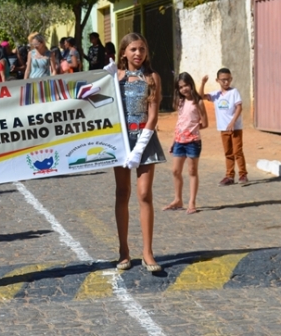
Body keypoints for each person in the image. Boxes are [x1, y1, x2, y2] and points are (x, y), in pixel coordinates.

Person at [104, 32, 165, 273]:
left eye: (142, 49)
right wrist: (105, 79)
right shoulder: (115, 77)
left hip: (145, 140)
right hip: (121, 141)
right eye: (133, 49)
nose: (138, 53)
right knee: (122, 193)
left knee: (144, 194)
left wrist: (140, 148)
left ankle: (148, 252)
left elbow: (153, 115)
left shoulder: (152, 77)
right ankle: (123, 251)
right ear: (123, 53)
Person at [163, 72, 208, 214]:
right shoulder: (180, 102)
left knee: (192, 171)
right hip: (179, 142)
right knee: (175, 171)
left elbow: (205, 123)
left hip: (193, 142)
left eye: (186, 85)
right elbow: (179, 123)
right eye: (181, 87)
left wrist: (192, 130)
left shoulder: (198, 102)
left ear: (191, 84)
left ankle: (192, 202)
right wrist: (173, 141)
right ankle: (178, 200)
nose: (184, 89)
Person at [199, 68, 247, 185]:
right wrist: (203, 83)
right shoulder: (216, 94)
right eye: (223, 80)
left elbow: (239, 107)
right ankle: (229, 176)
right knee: (228, 152)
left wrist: (233, 122)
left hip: (235, 128)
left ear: (231, 79)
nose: (226, 82)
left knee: (237, 151)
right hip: (223, 128)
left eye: (228, 79)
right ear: (217, 80)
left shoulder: (234, 92)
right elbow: (200, 96)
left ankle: (243, 174)